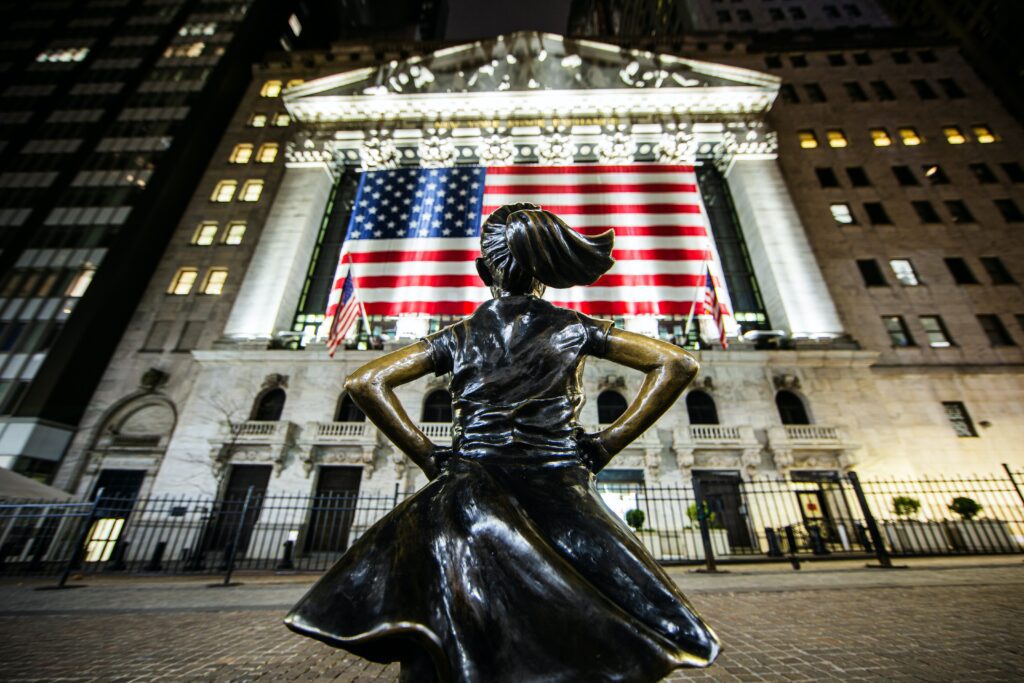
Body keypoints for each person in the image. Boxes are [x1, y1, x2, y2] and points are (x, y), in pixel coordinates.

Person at [285, 203, 720, 682]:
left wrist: (428, 455)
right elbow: (677, 364)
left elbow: (366, 382)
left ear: (481, 270)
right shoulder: (573, 327)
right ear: (546, 275)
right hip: (558, 489)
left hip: (466, 489)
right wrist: (605, 444)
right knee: (607, 615)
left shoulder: (460, 335)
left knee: (451, 625)